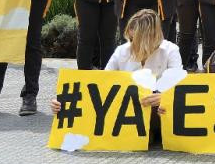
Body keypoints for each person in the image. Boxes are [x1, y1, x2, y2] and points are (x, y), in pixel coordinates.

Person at [51, 8, 179, 147]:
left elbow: (181, 88)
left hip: (159, 111)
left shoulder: (170, 51)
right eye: (131, 38)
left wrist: (165, 98)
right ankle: (143, 133)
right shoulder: (122, 51)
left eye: (136, 40)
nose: (132, 43)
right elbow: (101, 85)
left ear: (151, 37)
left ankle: (154, 131)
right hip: (128, 114)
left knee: (164, 107)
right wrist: (63, 102)